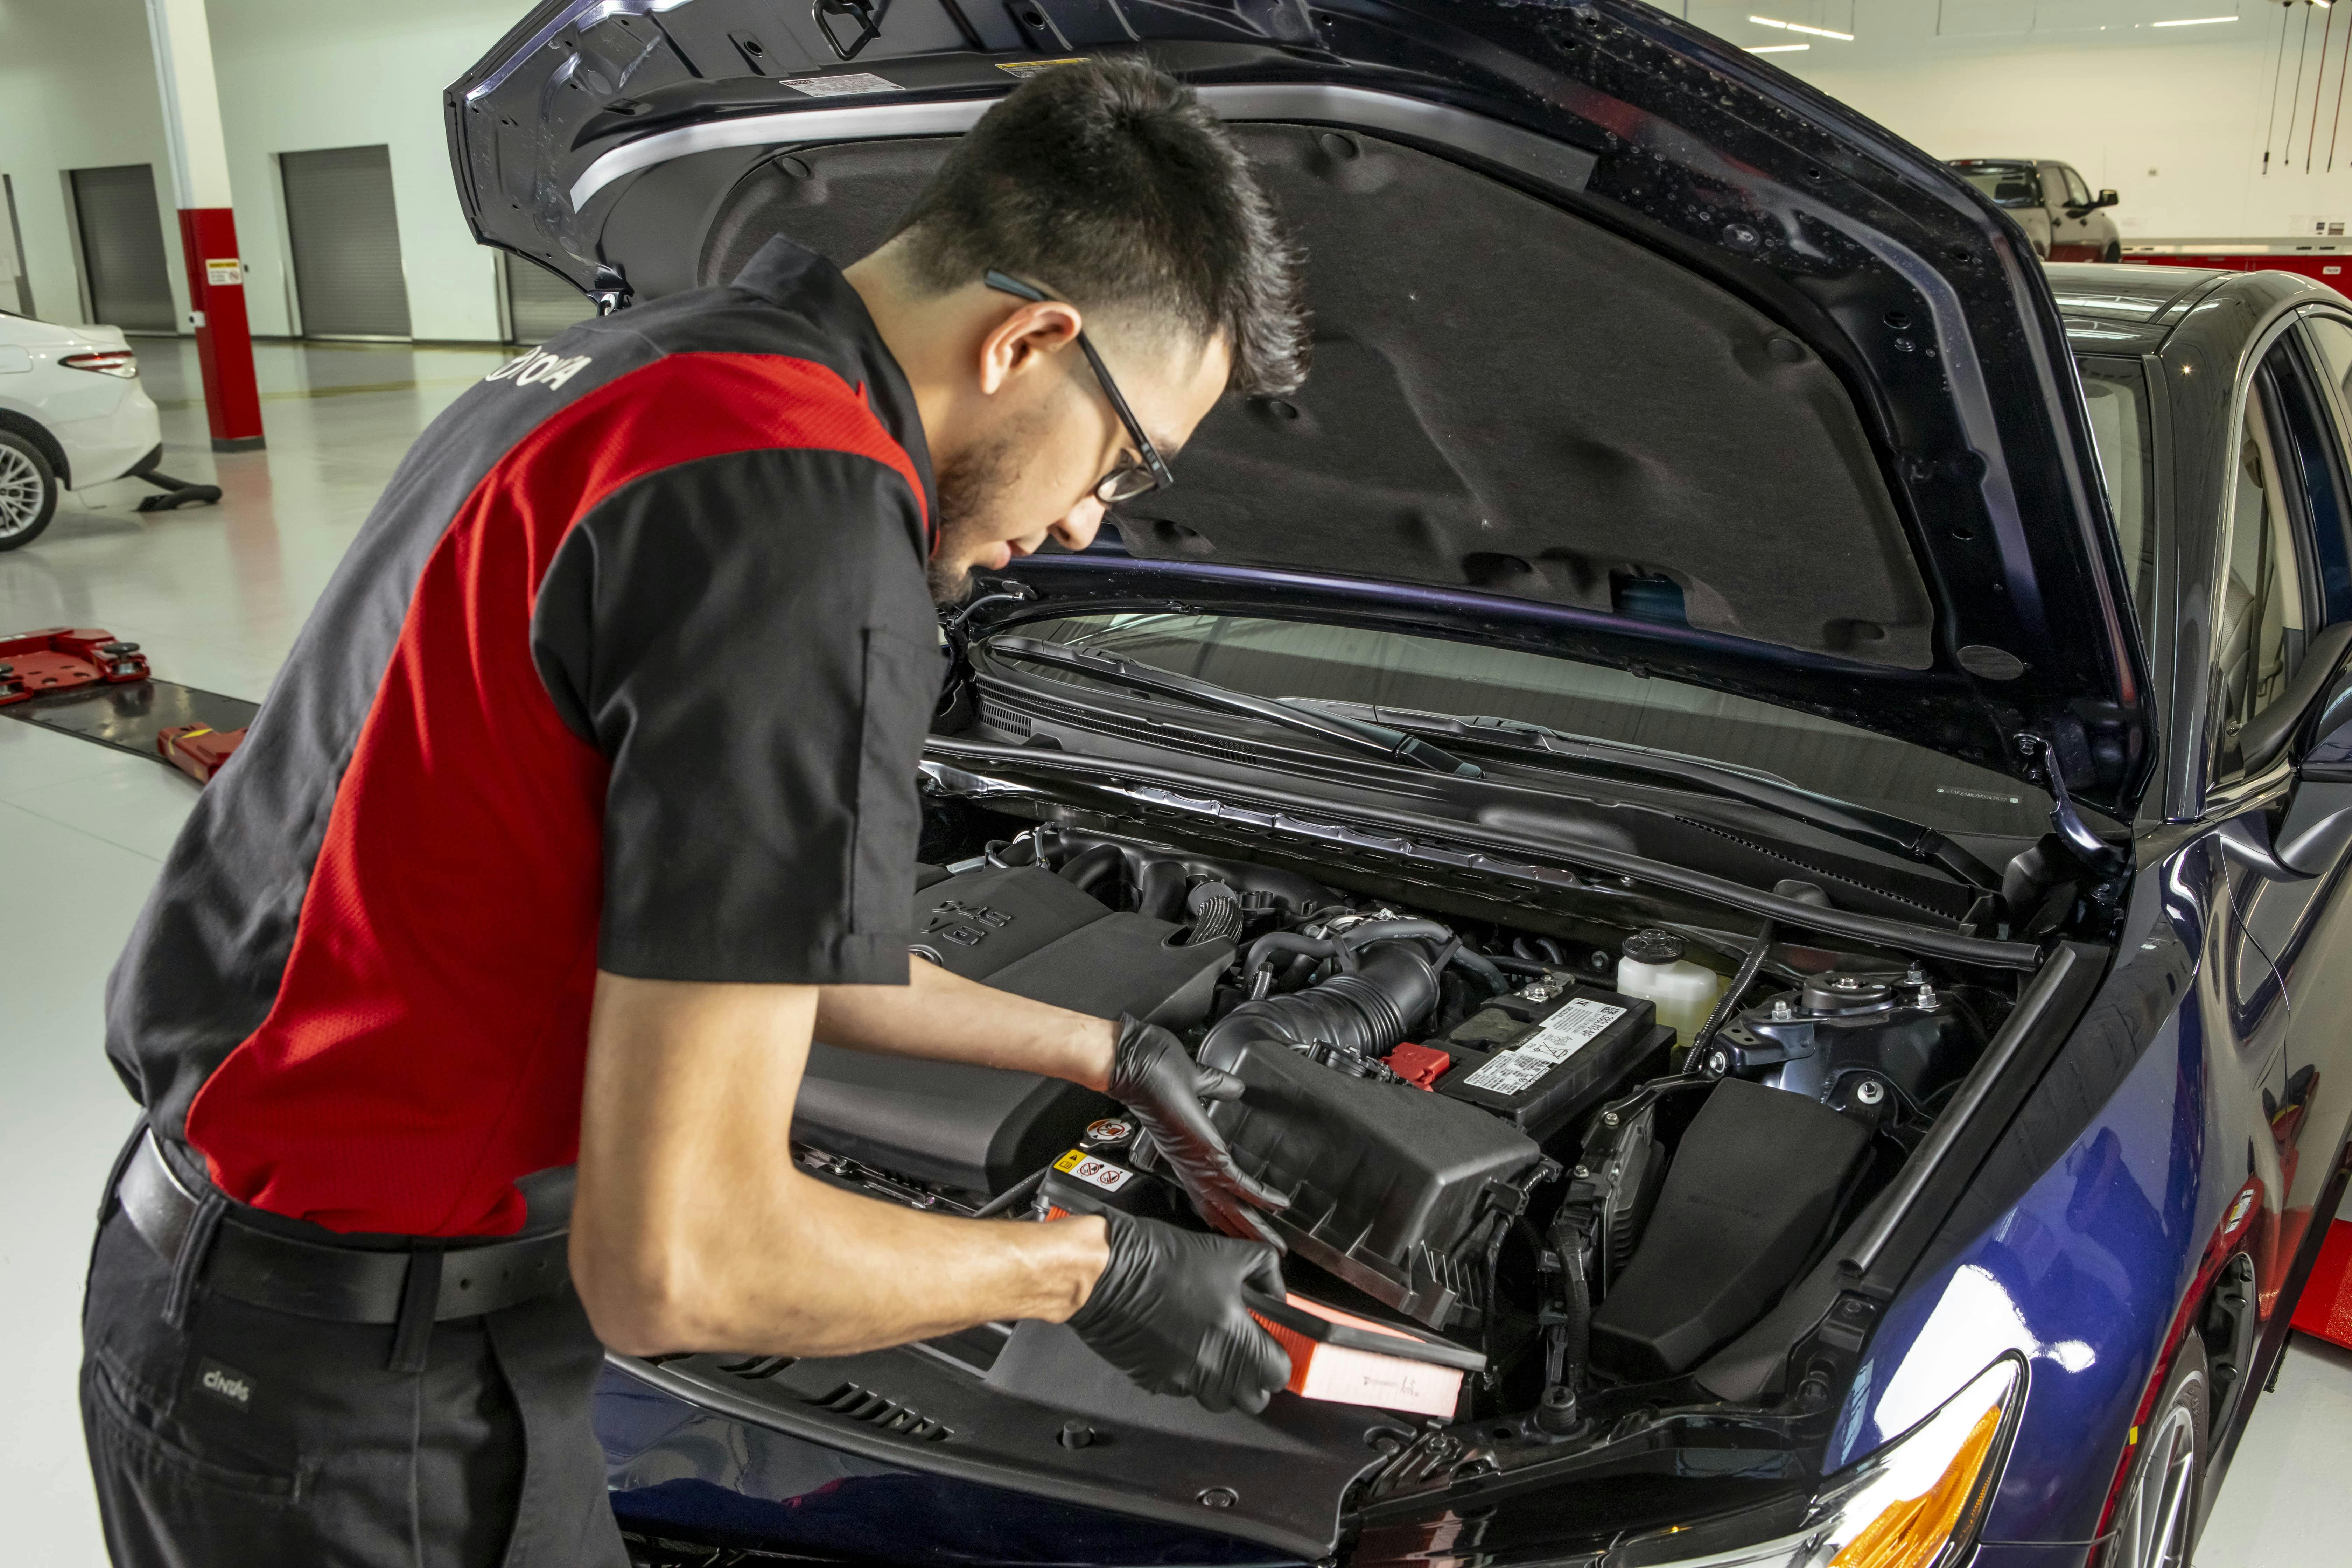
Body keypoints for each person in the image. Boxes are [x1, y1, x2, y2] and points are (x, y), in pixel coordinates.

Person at [82, 58, 1309, 1567]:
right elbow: (682, 1265)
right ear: (1030, 340)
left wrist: (1110, 1053)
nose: (1084, 524)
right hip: (361, 1407)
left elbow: (737, 930)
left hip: (202, 1299)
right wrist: (1089, 1272)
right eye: (1124, 462)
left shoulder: (638, 367)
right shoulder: (809, 520)